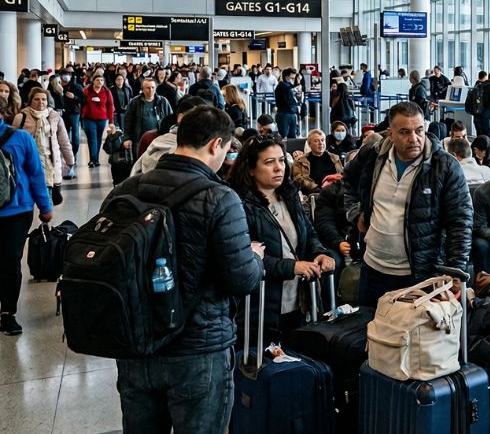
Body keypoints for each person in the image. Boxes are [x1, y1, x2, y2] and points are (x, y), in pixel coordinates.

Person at [107, 106, 263, 433]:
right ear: (214, 145)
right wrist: (256, 258)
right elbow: (242, 279)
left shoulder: (125, 190)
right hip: (198, 349)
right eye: (226, 149)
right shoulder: (220, 198)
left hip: (136, 345)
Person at [343, 101, 473, 306]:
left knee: (414, 336)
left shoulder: (444, 166)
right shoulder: (373, 156)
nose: (414, 139)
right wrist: (355, 213)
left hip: (420, 273)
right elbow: (347, 180)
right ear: (390, 133)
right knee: (370, 331)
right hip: (373, 268)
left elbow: (461, 221)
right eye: (404, 132)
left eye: (419, 130)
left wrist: (455, 270)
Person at [230, 135, 335, 339]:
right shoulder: (240, 205)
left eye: (281, 160)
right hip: (263, 306)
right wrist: (291, 267)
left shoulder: (289, 195)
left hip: (300, 300)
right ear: (250, 169)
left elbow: (308, 232)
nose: (279, 168)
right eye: (269, 162)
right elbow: (245, 258)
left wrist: (319, 252)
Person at [0, 117, 54, 335]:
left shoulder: (21, 138)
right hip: (18, 210)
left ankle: (7, 312)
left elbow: (35, 174)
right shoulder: (21, 137)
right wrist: (45, 207)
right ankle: (7, 315)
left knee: (10, 261)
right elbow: (35, 173)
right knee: (10, 261)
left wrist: (45, 205)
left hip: (17, 211)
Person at [12, 87, 74, 208]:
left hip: (50, 163)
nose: (41, 102)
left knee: (47, 198)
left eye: (43, 99)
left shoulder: (55, 116)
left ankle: (46, 224)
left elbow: (64, 141)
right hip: (28, 164)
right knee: (28, 197)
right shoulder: (21, 117)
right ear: (30, 101)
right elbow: (13, 142)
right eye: (37, 99)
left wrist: (70, 160)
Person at [132, 96, 210, 176]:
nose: (202, 125)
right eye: (198, 118)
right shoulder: (158, 142)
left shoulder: (157, 142)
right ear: (181, 118)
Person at [291, 129, 344, 194]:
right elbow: (299, 179)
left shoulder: (335, 158)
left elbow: (341, 174)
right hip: (313, 193)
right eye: (316, 141)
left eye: (322, 140)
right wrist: (317, 189)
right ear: (309, 144)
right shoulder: (300, 161)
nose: (320, 143)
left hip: (336, 191)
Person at [80, 72, 115, 168]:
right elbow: (81, 102)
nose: (100, 82)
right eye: (97, 80)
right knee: (92, 139)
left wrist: (111, 121)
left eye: (101, 80)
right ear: (93, 81)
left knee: (98, 139)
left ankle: (96, 159)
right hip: (88, 118)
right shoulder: (87, 90)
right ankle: (92, 160)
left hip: (102, 119)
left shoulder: (107, 92)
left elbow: (111, 106)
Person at [59, 68, 84, 162]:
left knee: (75, 136)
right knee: (64, 135)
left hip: (74, 113)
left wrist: (74, 97)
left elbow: (83, 100)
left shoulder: (76, 86)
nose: (66, 76)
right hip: (62, 113)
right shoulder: (57, 86)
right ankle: (67, 154)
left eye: (68, 74)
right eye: (64, 74)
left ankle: (74, 152)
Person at [275, 69, 302, 140]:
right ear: (286, 76)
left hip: (292, 113)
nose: (292, 80)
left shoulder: (289, 86)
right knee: (283, 135)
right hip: (284, 113)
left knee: (292, 136)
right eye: (291, 78)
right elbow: (287, 100)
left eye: (294, 78)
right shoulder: (281, 86)